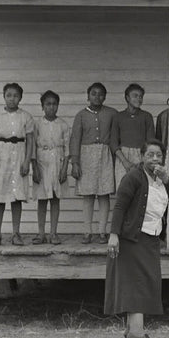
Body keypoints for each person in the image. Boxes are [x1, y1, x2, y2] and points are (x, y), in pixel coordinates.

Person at [105, 139, 169, 338]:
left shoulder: (160, 178)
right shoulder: (133, 177)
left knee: (146, 281)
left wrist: (167, 179)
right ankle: (137, 332)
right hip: (132, 238)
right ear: (142, 156)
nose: (154, 159)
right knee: (135, 283)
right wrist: (113, 235)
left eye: (158, 155)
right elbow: (120, 206)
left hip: (150, 237)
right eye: (150, 155)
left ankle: (132, 330)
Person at [0, 82, 36, 246]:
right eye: (9, 95)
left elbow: (30, 141)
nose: (12, 99)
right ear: (4, 97)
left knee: (16, 197)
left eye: (15, 96)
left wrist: (27, 161)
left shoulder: (26, 117)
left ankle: (15, 233)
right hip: (1, 158)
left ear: (20, 98)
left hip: (18, 156)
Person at [69, 82, 117, 244]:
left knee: (104, 194)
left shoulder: (111, 113)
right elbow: (75, 139)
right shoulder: (81, 115)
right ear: (88, 96)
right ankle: (87, 231)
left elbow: (117, 134)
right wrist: (75, 162)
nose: (97, 96)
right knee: (88, 194)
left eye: (101, 94)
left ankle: (102, 231)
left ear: (105, 96)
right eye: (94, 93)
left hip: (105, 155)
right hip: (86, 156)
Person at [33, 90, 69, 245]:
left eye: (54, 104)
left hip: (58, 162)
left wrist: (64, 169)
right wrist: (34, 167)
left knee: (55, 198)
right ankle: (41, 233)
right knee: (42, 198)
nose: (51, 107)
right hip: (42, 162)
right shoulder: (37, 124)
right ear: (42, 106)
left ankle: (53, 232)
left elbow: (67, 149)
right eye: (48, 104)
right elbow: (33, 147)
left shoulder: (63, 125)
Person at [109, 84, 155, 182]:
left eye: (141, 97)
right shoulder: (118, 117)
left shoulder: (147, 117)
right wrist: (125, 161)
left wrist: (143, 162)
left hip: (142, 157)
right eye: (135, 96)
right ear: (127, 98)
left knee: (141, 189)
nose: (138, 99)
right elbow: (113, 143)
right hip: (122, 157)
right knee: (124, 189)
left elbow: (151, 142)